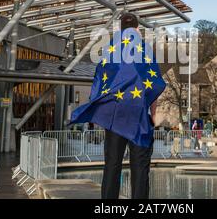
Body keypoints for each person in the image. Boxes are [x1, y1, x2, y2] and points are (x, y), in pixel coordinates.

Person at [70, 13, 166, 199]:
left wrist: (100, 112)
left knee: (112, 164)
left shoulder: (110, 50)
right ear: (138, 29)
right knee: (140, 166)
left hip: (114, 117)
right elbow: (153, 84)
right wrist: (153, 115)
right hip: (139, 116)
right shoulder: (145, 50)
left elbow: (99, 83)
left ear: (120, 29)